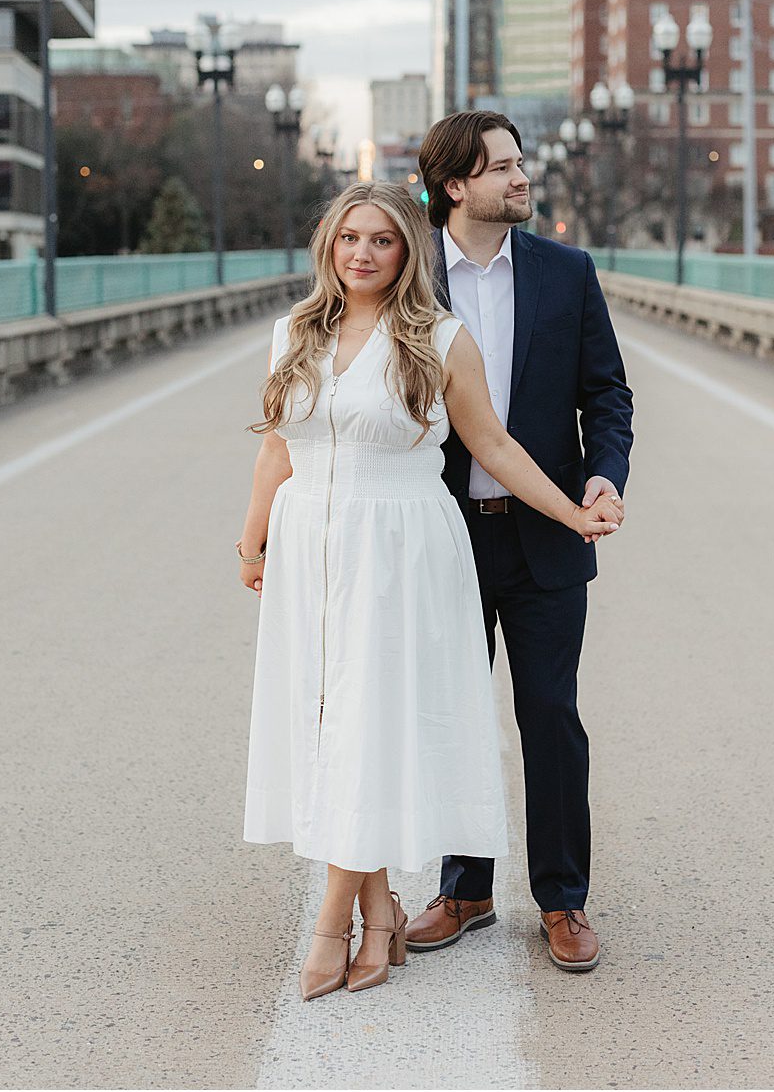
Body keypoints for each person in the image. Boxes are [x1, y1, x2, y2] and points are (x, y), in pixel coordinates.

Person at [238, 180, 621, 1000]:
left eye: (381, 240)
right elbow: (279, 445)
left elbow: (497, 445)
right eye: (349, 239)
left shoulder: (441, 339)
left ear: (408, 250)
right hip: (312, 546)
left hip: (400, 547)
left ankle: (332, 925)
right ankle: (380, 911)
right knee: (332, 722)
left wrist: (572, 513)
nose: (362, 254)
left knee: (367, 722)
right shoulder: (293, 333)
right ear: (328, 248)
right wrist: (252, 536)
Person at [406, 110, 635, 974]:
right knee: (451, 717)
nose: (521, 176)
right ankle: (463, 888)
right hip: (441, 535)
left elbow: (607, 395)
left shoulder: (567, 272)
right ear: (455, 186)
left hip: (545, 536)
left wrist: (605, 474)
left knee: (551, 718)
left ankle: (562, 899)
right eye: (502, 167)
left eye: (520, 162)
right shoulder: (410, 278)